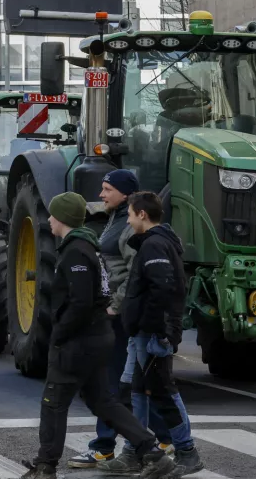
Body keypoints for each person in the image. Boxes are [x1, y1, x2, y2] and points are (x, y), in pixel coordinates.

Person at [20, 192, 176, 479]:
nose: (50, 220)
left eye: (53, 215)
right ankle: (151, 452)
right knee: (103, 401)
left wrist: (60, 334)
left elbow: (80, 301)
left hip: (79, 340)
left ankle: (45, 467)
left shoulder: (76, 251)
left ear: (63, 218)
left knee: (53, 402)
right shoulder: (86, 247)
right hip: (96, 337)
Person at [68, 170, 175, 469]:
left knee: (110, 384)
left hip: (119, 316)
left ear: (124, 194)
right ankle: (164, 438)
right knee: (130, 385)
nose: (101, 195)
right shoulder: (115, 220)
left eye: (107, 189)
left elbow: (132, 272)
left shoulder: (127, 228)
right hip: (116, 313)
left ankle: (104, 447)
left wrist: (114, 306)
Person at [100, 191, 203, 476]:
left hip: (150, 334)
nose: (129, 221)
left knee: (161, 391)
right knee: (135, 392)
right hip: (143, 333)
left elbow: (163, 290)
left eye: (131, 215)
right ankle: (135, 451)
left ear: (142, 214)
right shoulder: (154, 243)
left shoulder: (154, 246)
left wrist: (158, 330)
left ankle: (187, 451)